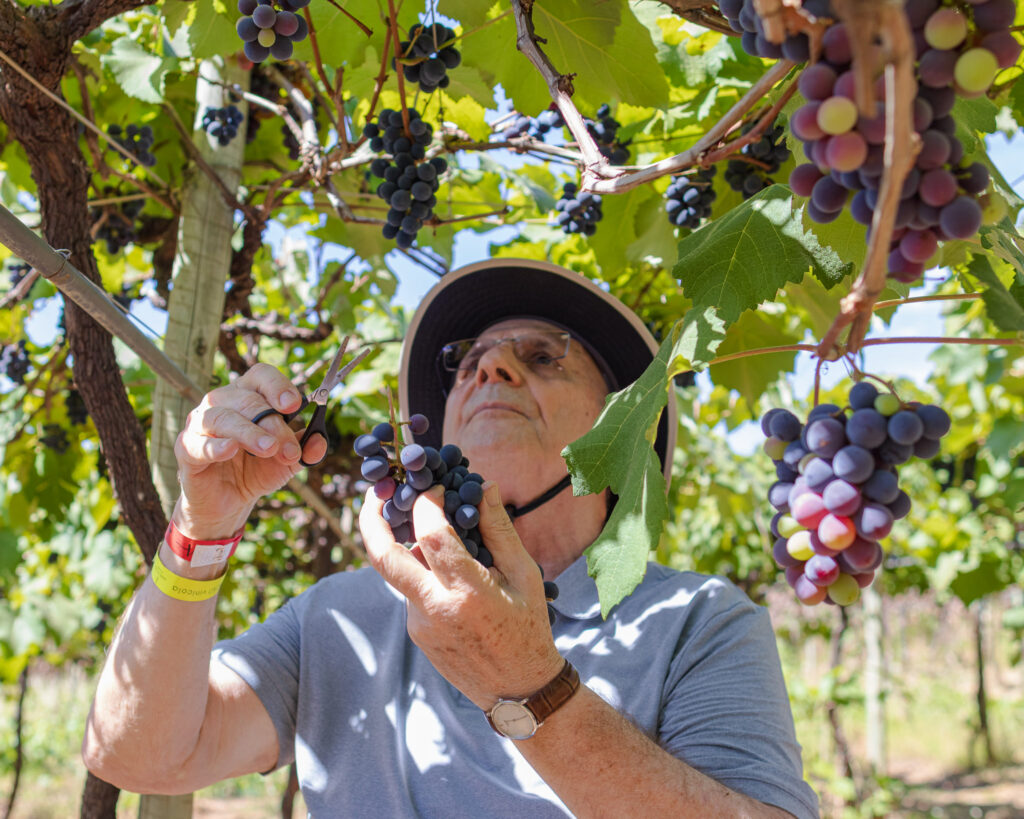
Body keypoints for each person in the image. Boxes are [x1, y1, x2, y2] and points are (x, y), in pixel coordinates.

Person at [83, 259, 820, 818]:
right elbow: (136, 753)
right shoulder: (340, 616)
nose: (487, 367)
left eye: (541, 355)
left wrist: (530, 685)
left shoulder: (699, 623)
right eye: (465, 364)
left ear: (619, 425)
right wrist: (201, 529)